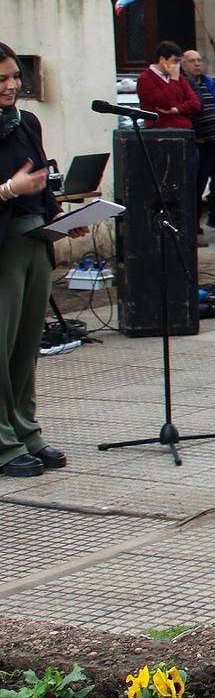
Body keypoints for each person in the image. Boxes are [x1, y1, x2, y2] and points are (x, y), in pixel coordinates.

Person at [1, 42, 87, 478]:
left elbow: (42, 182)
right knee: (0, 345)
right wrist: (10, 189)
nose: (12, 85)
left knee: (25, 345)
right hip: (4, 249)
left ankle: (25, 429)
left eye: (16, 76)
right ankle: (3, 442)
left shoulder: (26, 121)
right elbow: (18, 185)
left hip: (36, 242)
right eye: (2, 79)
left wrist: (61, 217)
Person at [181, 49, 215, 233]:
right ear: (184, 64)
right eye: (192, 61)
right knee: (198, 184)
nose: (197, 64)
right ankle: (193, 224)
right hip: (199, 142)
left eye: (199, 60)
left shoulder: (209, 82)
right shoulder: (183, 85)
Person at [136, 41, 199, 132]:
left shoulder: (180, 79)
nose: (177, 66)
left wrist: (177, 109)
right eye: (174, 61)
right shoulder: (145, 79)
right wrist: (173, 80)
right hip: (160, 131)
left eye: (179, 62)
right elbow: (166, 103)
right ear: (162, 60)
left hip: (184, 130)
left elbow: (195, 103)